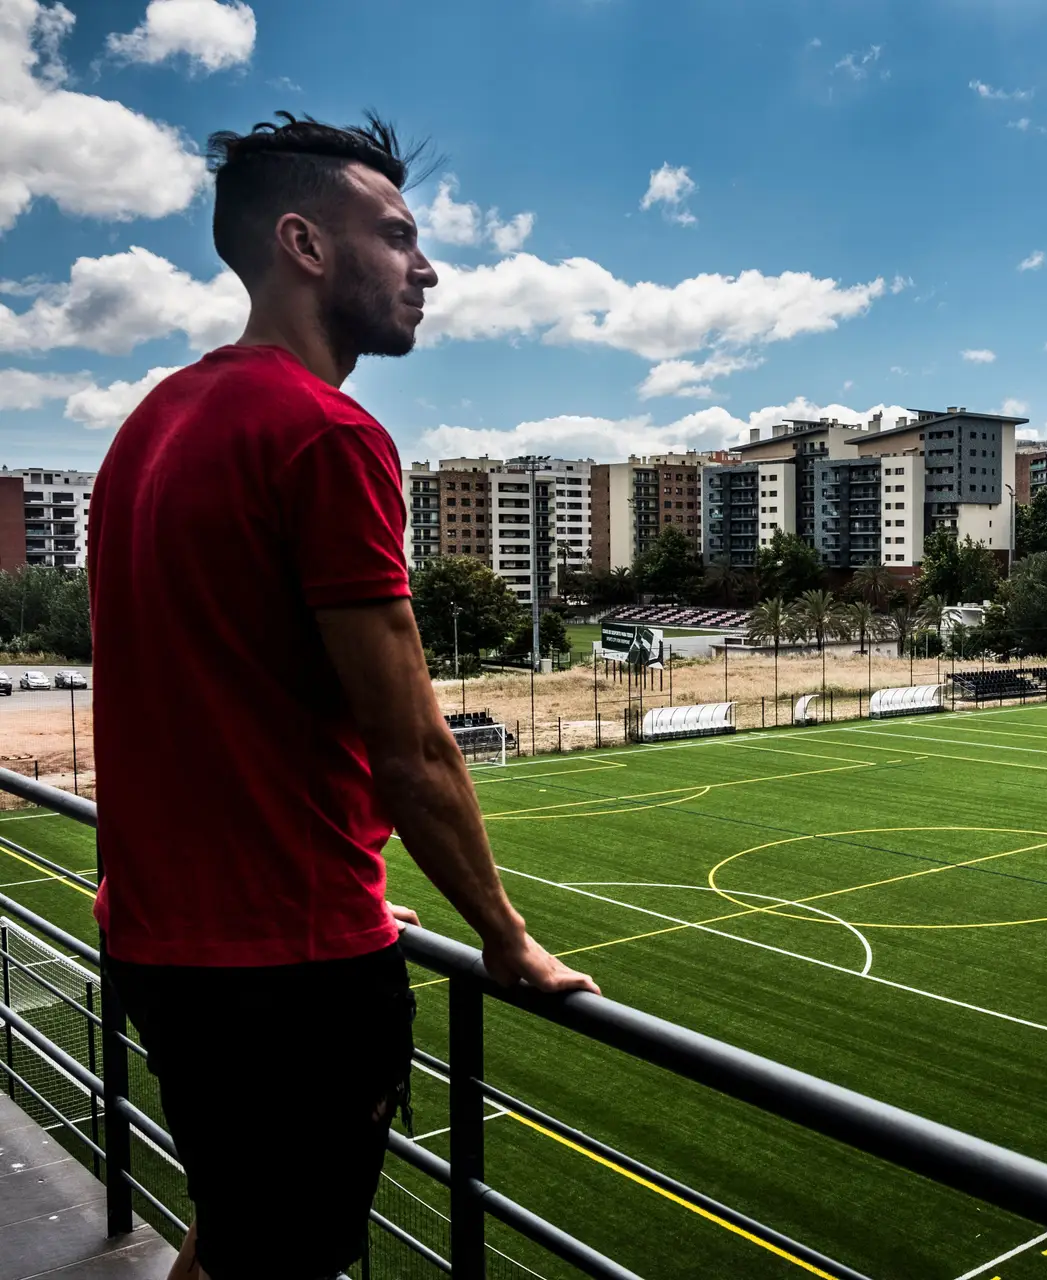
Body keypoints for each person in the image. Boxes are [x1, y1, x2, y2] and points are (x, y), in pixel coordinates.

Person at [88, 112, 597, 1280]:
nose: (426, 267)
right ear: (304, 244)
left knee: (233, 1232)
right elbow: (411, 741)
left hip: (169, 942)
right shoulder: (325, 435)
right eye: (399, 235)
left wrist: (343, 888)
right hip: (283, 977)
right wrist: (506, 939)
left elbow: (218, 689)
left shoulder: (149, 427)